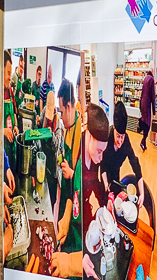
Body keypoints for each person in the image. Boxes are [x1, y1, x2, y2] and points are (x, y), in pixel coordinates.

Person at [52, 79, 82, 280]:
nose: (61, 118)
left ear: (69, 106)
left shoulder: (81, 131)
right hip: (69, 198)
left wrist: (72, 173)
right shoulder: (69, 128)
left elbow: (78, 180)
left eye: (61, 112)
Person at [100, 101, 145, 211]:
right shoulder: (107, 137)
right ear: (114, 130)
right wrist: (106, 185)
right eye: (118, 136)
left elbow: (135, 165)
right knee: (104, 201)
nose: (120, 141)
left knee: (116, 202)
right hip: (104, 175)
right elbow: (102, 165)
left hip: (116, 173)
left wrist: (142, 193)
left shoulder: (126, 142)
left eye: (122, 137)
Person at [82, 104, 109, 280]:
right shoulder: (76, 156)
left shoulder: (95, 155)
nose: (100, 158)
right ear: (89, 137)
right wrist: (81, 255)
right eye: (99, 151)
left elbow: (97, 182)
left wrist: (106, 205)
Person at [3, 50, 18, 167]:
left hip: (11, 147)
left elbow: (14, 113)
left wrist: (16, 126)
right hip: (1, 149)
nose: (10, 78)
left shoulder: (10, 91)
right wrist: (2, 131)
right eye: (8, 73)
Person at [139, 68, 156, 152]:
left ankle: (144, 143)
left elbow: (142, 93)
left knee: (145, 123)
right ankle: (142, 141)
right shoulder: (151, 79)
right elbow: (153, 97)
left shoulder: (146, 78)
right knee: (148, 125)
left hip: (142, 104)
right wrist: (154, 111)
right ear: (152, 70)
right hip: (147, 105)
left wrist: (140, 106)